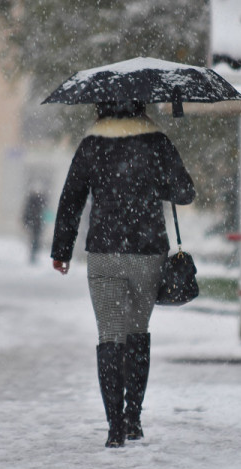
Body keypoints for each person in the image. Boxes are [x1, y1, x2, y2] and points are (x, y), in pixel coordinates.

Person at [50, 100, 195, 448]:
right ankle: (133, 417)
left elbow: (71, 199)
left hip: (104, 251)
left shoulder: (92, 144)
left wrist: (61, 251)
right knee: (136, 332)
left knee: (110, 336)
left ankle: (114, 426)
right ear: (141, 106)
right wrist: (150, 183)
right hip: (147, 251)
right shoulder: (157, 141)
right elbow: (185, 192)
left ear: (100, 108)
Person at [22, 190, 46, 263]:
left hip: (34, 223)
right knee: (36, 239)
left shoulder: (31, 201)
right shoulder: (40, 201)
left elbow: (26, 212)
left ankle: (33, 254)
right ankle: (34, 254)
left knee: (34, 239)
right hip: (36, 223)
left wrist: (25, 221)